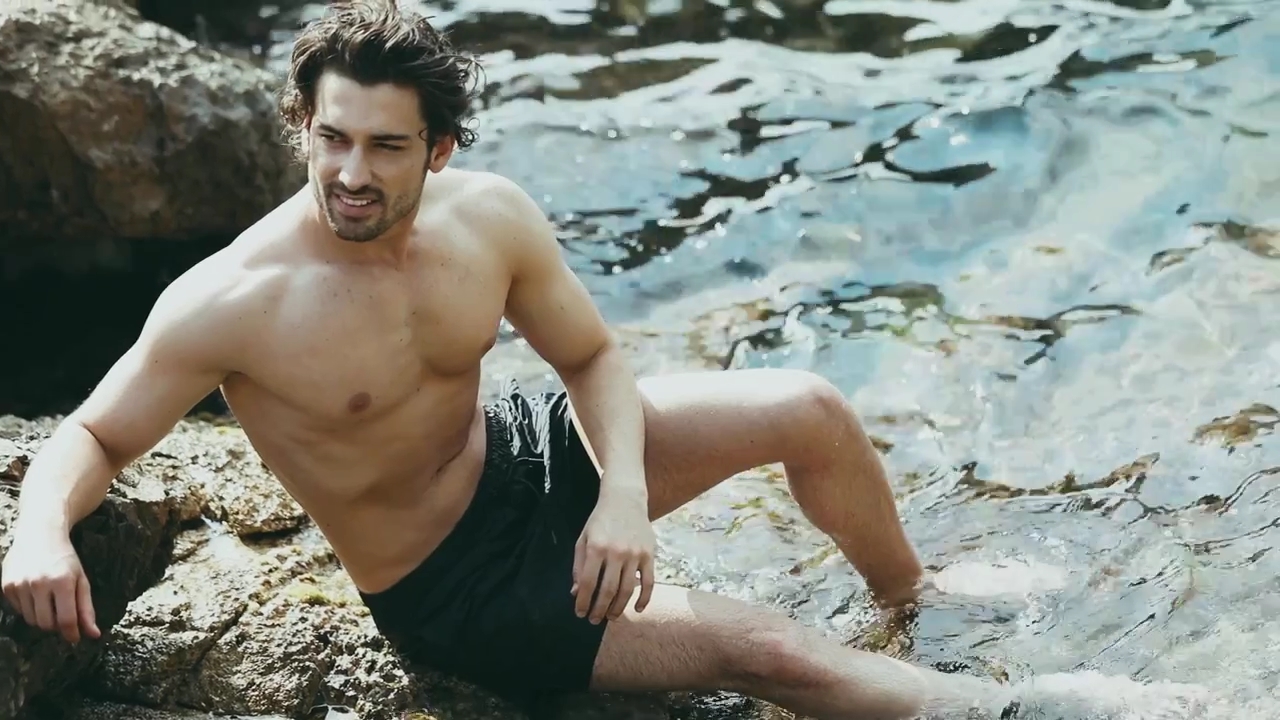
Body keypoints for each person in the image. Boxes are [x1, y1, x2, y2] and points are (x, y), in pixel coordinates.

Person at [0, 2, 1035, 718]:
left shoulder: (489, 217)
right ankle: (1033, 708)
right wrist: (42, 529)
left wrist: (622, 496)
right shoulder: (232, 300)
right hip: (454, 587)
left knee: (807, 406)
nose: (351, 173)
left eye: (386, 147)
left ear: (439, 148)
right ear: (304, 128)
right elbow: (95, 431)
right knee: (766, 649)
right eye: (332, 139)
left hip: (521, 454)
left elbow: (590, 357)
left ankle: (913, 594)